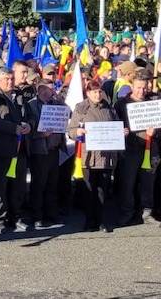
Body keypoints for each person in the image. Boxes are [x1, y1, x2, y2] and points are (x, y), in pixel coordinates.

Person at [69, 80, 123, 232]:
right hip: (88, 157)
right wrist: (77, 132)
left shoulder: (109, 108)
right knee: (89, 190)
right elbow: (71, 130)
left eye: (99, 91)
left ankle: (101, 220)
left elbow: (117, 125)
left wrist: (121, 131)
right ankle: (89, 221)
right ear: (88, 93)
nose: (98, 94)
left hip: (106, 156)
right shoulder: (81, 108)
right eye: (94, 92)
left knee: (102, 190)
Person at [0, 67, 31, 234]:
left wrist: (28, 125)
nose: (9, 82)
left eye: (11, 79)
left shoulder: (18, 96)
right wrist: (14, 128)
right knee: (0, 187)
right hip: (0, 150)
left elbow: (27, 115)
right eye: (5, 79)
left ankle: (16, 217)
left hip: (19, 150)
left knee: (18, 186)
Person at [116, 73, 161, 226]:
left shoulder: (155, 102)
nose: (141, 91)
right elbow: (112, 123)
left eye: (144, 88)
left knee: (148, 182)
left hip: (151, 149)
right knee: (128, 183)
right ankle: (127, 212)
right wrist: (120, 131)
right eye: (138, 88)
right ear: (131, 86)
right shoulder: (121, 104)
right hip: (130, 149)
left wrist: (156, 131)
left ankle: (147, 213)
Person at [26, 80, 65, 229]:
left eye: (53, 90)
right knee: (39, 184)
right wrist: (40, 134)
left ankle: (52, 214)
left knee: (52, 184)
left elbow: (67, 113)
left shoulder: (55, 103)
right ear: (41, 90)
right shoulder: (31, 105)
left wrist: (59, 98)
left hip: (54, 150)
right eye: (50, 90)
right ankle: (37, 216)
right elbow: (29, 127)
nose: (52, 92)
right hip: (40, 150)